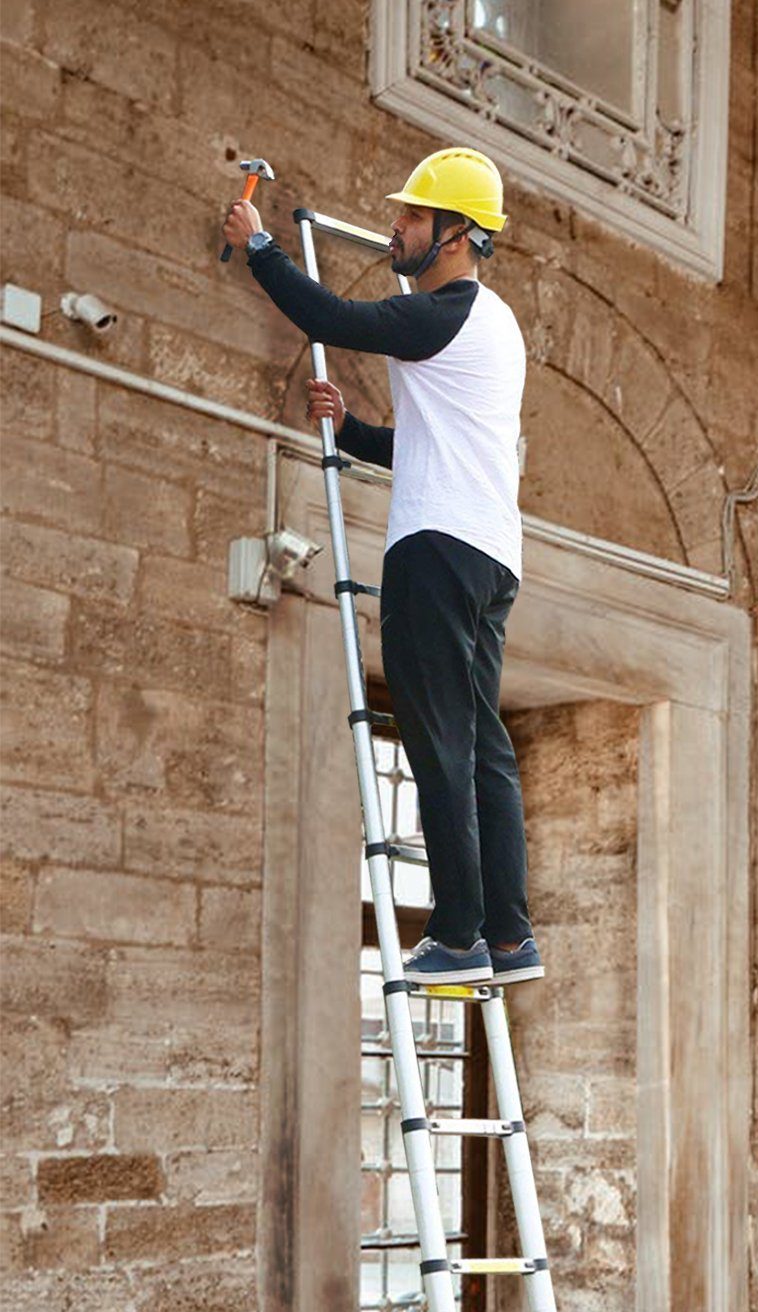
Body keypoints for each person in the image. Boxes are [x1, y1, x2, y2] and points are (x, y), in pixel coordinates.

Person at [223, 147, 542, 988]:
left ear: (455, 234)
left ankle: (459, 933)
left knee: (439, 747)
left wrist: (260, 247)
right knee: (485, 749)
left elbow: (330, 318)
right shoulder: (495, 326)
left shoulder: (440, 313)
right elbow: (439, 442)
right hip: (489, 553)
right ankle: (510, 937)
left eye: (410, 217)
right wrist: (355, 431)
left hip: (436, 551)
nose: (395, 228)